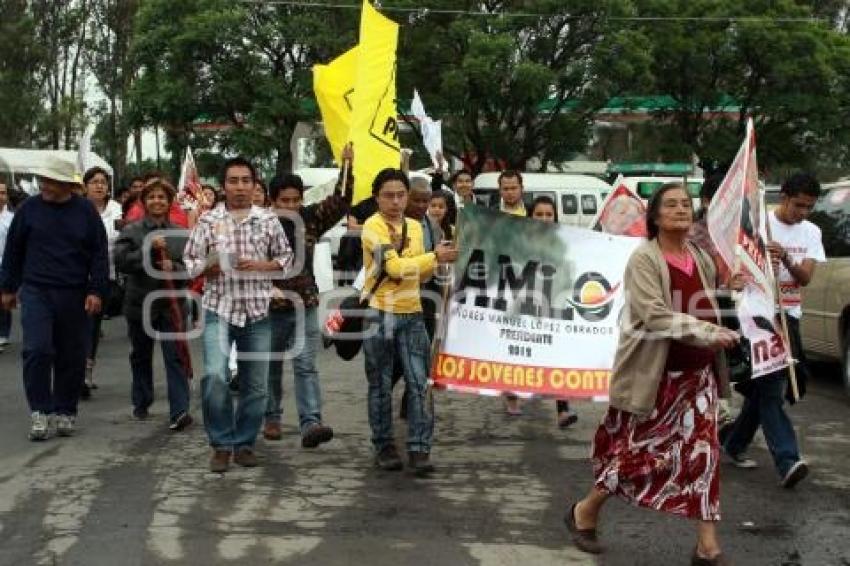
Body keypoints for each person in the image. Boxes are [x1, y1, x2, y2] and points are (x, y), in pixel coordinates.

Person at [566, 183, 740, 565]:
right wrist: (710, 331)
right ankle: (585, 510)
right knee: (640, 457)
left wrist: (729, 292)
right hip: (658, 379)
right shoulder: (644, 259)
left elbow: (707, 300)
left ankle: (707, 547)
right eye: (672, 204)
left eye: (686, 204)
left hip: (699, 378)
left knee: (704, 458)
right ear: (656, 216)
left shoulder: (700, 256)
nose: (681, 209)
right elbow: (655, 315)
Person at [184, 156, 292, 473]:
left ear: (254, 185)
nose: (241, 187)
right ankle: (220, 443)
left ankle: (244, 443)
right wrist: (209, 267)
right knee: (215, 376)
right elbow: (190, 263)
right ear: (224, 186)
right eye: (234, 181)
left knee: (255, 384)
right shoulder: (207, 221)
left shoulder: (268, 220)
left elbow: (286, 260)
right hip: (219, 307)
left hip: (258, 310)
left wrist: (261, 265)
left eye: (246, 181)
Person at [722, 173, 823, 488]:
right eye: (798, 205)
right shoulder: (757, 223)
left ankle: (734, 442)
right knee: (770, 387)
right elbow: (734, 266)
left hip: (788, 316)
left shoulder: (811, 232)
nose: (802, 213)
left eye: (808, 207)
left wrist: (787, 259)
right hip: (757, 316)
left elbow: (805, 277)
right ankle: (788, 460)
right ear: (784, 198)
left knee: (789, 384)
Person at [0, 155, 108, 440]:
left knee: (71, 354)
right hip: (36, 290)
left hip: (74, 293)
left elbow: (99, 253)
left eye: (50, 181)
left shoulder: (85, 212)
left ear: (66, 185)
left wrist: (96, 290)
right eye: (42, 180)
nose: (44, 186)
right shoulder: (28, 210)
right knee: (37, 349)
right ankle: (40, 411)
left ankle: (65, 410)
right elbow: (13, 250)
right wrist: (8, 288)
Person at [361, 168, 457, 475]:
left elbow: (421, 272)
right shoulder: (372, 227)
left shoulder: (417, 226)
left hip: (413, 311)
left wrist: (440, 263)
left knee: (420, 383)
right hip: (381, 312)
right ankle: (384, 445)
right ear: (377, 197)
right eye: (389, 195)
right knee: (381, 384)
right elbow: (395, 268)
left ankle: (419, 448)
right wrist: (434, 258)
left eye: (401, 195)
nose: (396, 201)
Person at [262, 148, 353, 446]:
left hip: (305, 304)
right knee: (270, 365)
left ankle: (311, 423)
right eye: (283, 200)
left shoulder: (311, 218)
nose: (290, 205)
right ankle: (271, 416)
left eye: (295, 199)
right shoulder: (258, 226)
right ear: (271, 200)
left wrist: (346, 164)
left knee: (305, 364)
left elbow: (341, 202)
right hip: (268, 307)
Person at [114, 179, 192, 431]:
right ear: (144, 202)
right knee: (141, 355)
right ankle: (142, 400)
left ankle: (179, 411)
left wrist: (176, 267)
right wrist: (148, 249)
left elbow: (192, 267)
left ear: (169, 202)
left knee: (176, 356)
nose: (157, 201)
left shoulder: (180, 233)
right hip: (141, 304)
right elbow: (122, 262)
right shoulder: (132, 230)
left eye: (162, 197)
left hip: (172, 305)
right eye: (152, 197)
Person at [527, 196, 579, 429]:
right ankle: (511, 392)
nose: (545, 219)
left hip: (554, 306)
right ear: (530, 216)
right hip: (524, 308)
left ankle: (563, 409)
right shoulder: (518, 241)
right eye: (539, 214)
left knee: (558, 355)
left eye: (549, 214)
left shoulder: (566, 243)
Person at [82, 167, 123, 396]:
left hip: (106, 275)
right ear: (85, 186)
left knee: (94, 326)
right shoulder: (78, 209)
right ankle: (76, 371)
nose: (99, 186)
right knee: (80, 325)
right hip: (78, 276)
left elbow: (120, 239)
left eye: (103, 182)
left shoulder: (116, 209)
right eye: (94, 182)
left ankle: (87, 372)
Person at [497, 170, 526, 415]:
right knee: (508, 342)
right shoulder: (490, 218)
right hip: (501, 287)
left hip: (531, 287)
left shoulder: (534, 215)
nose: (509, 192)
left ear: (521, 188)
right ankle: (511, 393)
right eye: (505, 188)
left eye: (513, 187)